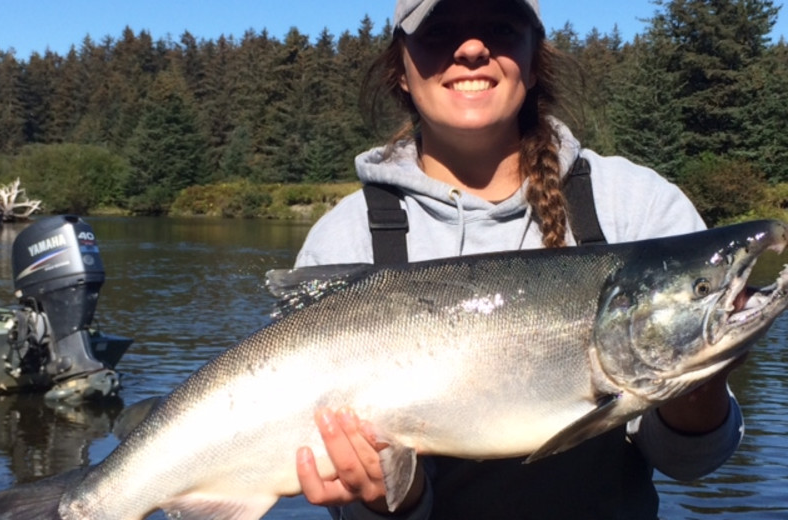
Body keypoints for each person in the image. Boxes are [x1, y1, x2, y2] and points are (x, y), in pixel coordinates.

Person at [292, 0, 745, 518]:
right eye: (440, 32)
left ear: (533, 62)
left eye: (501, 29)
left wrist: (699, 381)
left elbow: (691, 463)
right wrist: (388, 497)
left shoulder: (637, 205)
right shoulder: (344, 238)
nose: (472, 49)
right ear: (401, 69)